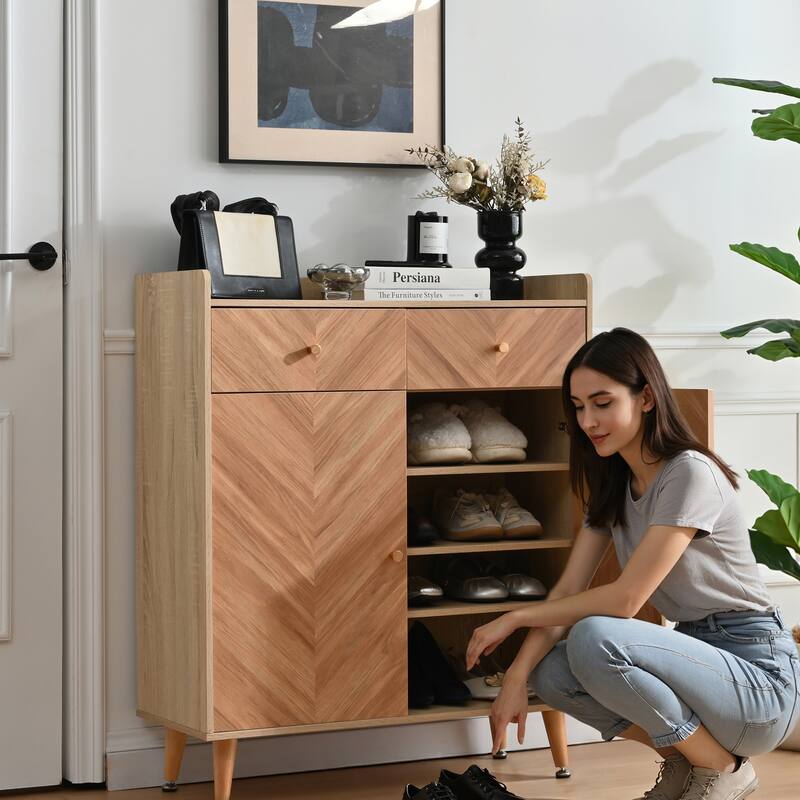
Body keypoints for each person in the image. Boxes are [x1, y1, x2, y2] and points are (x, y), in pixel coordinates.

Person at [465, 328, 800, 800]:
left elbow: (626, 600)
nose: (588, 420)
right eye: (578, 407)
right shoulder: (613, 488)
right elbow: (566, 593)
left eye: (602, 403)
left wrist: (515, 616)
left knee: (594, 634)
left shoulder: (689, 472)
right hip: (697, 659)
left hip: (757, 676)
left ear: (646, 397)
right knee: (551, 673)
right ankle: (697, 759)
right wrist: (516, 678)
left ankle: (721, 767)